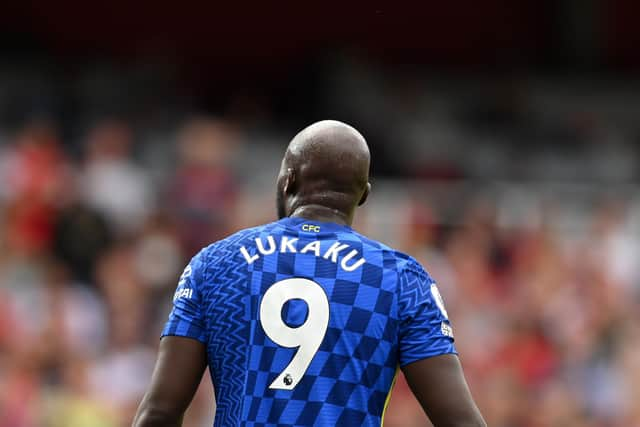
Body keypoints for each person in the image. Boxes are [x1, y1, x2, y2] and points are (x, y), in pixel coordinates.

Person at [132, 120, 486, 426]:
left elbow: (160, 414)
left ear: (287, 181)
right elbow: (459, 421)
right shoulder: (402, 280)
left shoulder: (215, 265)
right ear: (363, 195)